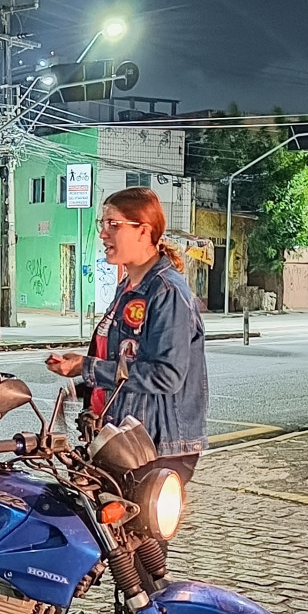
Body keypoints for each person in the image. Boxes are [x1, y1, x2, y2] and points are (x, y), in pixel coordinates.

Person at [46, 186, 207, 482]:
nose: (103, 233)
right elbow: (121, 363)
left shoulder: (166, 292)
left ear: (144, 232)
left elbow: (166, 375)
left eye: (113, 225)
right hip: (119, 440)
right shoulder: (127, 289)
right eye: (102, 224)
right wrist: (83, 385)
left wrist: (87, 367)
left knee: (134, 529)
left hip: (155, 447)